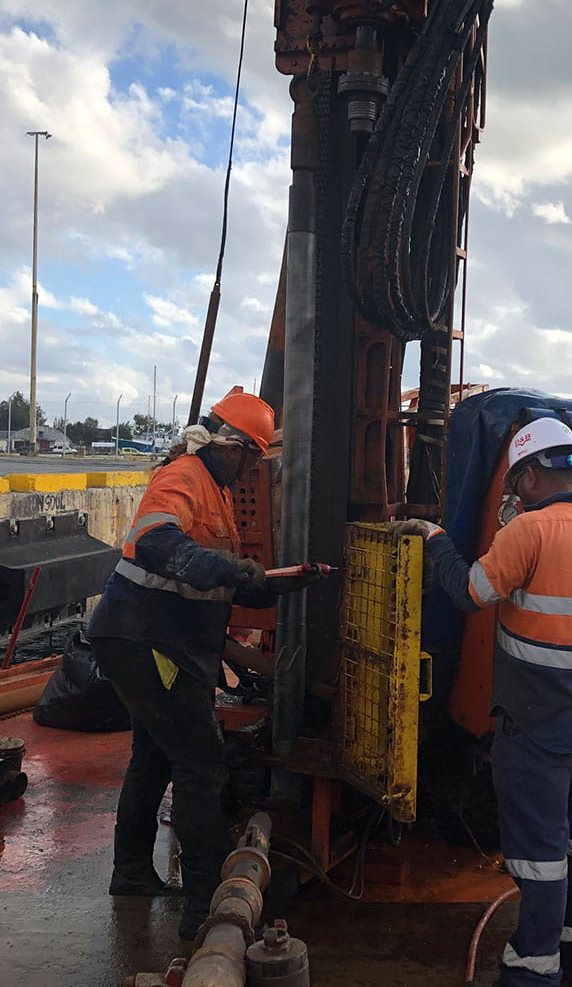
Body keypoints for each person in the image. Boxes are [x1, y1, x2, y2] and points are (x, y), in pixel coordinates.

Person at [390, 417, 572, 987]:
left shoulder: (528, 532)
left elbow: (471, 592)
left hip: (534, 721)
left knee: (538, 851)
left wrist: (436, 541)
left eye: (514, 483)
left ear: (529, 476)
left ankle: (532, 966)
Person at [88, 388, 323, 940]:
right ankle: (202, 910)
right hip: (151, 642)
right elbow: (153, 540)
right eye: (253, 457)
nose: (252, 471)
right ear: (233, 446)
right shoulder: (186, 475)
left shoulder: (215, 493)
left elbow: (219, 585)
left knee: (153, 757)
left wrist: (275, 584)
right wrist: (229, 570)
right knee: (200, 763)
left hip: (149, 640)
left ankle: (130, 874)